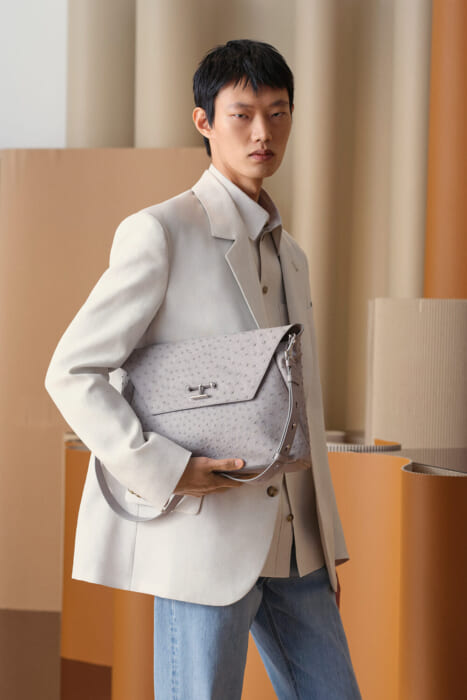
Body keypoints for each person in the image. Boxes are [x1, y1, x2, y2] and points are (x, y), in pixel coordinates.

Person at [45, 39, 362, 699]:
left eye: (277, 113)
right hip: (204, 538)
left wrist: (324, 542)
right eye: (242, 114)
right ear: (204, 122)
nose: (262, 132)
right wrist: (164, 469)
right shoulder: (161, 232)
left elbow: (301, 403)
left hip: (295, 547)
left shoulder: (293, 255)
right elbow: (72, 370)